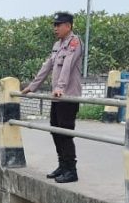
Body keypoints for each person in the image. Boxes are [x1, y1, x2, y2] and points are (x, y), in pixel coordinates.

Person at [21, 11, 84, 184]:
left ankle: (71, 170)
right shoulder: (58, 44)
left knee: (65, 132)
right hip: (57, 97)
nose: (55, 28)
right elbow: (47, 66)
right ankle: (62, 166)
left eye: (58, 25)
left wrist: (60, 88)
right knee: (54, 129)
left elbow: (68, 66)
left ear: (68, 26)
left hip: (68, 96)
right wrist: (32, 86)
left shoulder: (74, 42)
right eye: (54, 25)